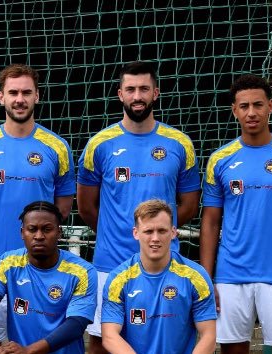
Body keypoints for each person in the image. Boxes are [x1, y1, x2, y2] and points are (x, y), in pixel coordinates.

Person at [76, 61, 200, 352]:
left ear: (155, 93)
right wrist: (119, 231)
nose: (137, 96)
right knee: (100, 343)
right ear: (120, 94)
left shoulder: (179, 143)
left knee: (168, 339)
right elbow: (86, 208)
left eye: (144, 89)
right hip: (110, 263)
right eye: (130, 89)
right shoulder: (99, 144)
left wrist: (158, 235)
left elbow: (190, 205)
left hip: (166, 267)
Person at [0, 64, 75, 351]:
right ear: (1, 97)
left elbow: (63, 203)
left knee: (38, 344)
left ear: (37, 96)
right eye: (13, 92)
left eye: (26, 92)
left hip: (41, 269)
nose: (19, 99)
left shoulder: (57, 147)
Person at [199, 74, 272, 354]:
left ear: (270, 106)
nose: (251, 112)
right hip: (230, 277)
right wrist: (206, 278)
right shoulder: (220, 159)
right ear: (234, 110)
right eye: (244, 106)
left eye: (258, 105)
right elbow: (211, 222)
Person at [0, 201, 95, 354]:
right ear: (22, 232)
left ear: (59, 232)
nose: (39, 236)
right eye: (32, 229)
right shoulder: (8, 262)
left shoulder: (82, 271)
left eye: (47, 229)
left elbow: (77, 324)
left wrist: (29, 351)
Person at [101, 199, 216, 354]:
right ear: (136, 233)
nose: (155, 238)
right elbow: (109, 336)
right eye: (148, 231)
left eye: (162, 231)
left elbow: (208, 336)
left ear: (173, 232)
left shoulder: (196, 276)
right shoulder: (118, 279)